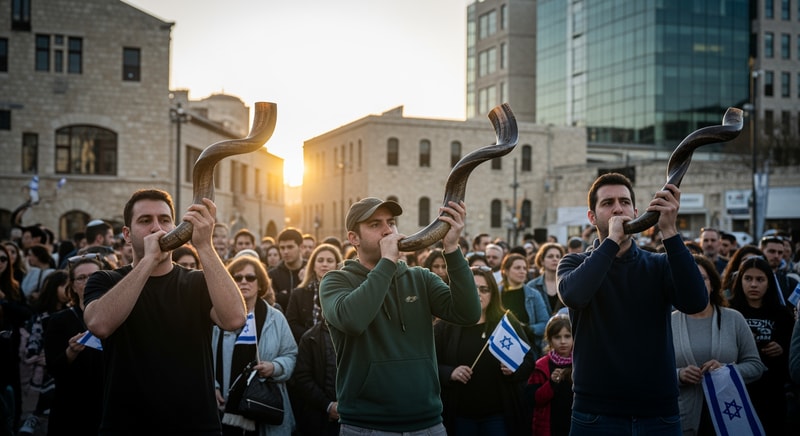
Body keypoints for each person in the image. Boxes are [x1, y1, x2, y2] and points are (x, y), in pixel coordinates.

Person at [83, 188, 246, 434]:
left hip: (196, 426)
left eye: (165, 220)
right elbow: (99, 324)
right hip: (126, 425)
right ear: (127, 235)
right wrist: (148, 260)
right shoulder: (105, 280)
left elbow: (234, 319)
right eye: (145, 221)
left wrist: (205, 246)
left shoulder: (197, 282)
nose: (157, 228)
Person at [557, 173, 708, 434]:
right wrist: (612, 242)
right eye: (607, 203)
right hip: (595, 414)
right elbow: (575, 295)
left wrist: (670, 231)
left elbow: (696, 302)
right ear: (592, 217)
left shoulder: (658, 265)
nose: (618, 208)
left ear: (636, 212)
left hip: (658, 414)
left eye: (625, 202)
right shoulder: (574, 264)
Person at [319, 197, 480, 434]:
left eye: (391, 223)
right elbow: (353, 320)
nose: (388, 231)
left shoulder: (421, 278)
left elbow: (468, 313)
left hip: (428, 423)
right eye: (375, 225)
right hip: (366, 425)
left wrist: (452, 249)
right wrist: (387, 262)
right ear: (354, 238)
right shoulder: (335, 281)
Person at [435, 266, 535, 435]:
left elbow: (529, 360)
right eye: (472, 288)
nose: (478, 293)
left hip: (498, 415)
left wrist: (514, 369)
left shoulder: (506, 321)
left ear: (492, 293)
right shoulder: (447, 324)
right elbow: (429, 363)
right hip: (459, 414)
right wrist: (449, 373)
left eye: (484, 289)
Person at [672, 255, 765, 435]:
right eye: (688, 277)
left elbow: (756, 366)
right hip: (683, 419)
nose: (695, 282)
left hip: (730, 417)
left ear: (713, 284)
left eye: (702, 278)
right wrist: (679, 375)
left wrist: (727, 371)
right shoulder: (668, 323)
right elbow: (654, 372)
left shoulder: (734, 319)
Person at [212, 255, 297, 436]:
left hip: (263, 410)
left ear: (260, 283)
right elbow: (201, 357)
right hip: (222, 408)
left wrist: (275, 367)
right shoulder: (216, 316)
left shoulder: (275, 318)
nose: (244, 282)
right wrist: (213, 385)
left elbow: (291, 354)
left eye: (250, 277)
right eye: (237, 277)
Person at [728, 256, 794, 435]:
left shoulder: (782, 314)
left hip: (772, 391)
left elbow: (793, 350)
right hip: (738, 390)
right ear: (739, 280)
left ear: (769, 282)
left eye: (760, 279)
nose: (754, 284)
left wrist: (782, 348)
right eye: (748, 278)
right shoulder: (729, 312)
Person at [44, 255, 105, 435]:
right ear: (72, 285)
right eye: (81, 278)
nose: (88, 282)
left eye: (94, 276)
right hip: (72, 408)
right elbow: (53, 369)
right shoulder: (59, 321)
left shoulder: (119, 316)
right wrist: (71, 352)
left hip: (109, 406)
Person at [19, 270, 70, 435]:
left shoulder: (72, 313)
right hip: (42, 369)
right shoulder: (42, 316)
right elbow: (32, 343)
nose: (69, 289)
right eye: (64, 286)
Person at [292, 304, 340, 436]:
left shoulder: (361, 336)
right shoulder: (310, 338)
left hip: (355, 418)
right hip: (321, 420)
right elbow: (302, 378)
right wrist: (328, 405)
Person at [0, 243, 33, 433]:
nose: (0, 263)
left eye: (3, 259)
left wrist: (4, 301)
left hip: (9, 350)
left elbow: (27, 313)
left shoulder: (13, 286)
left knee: (11, 395)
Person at [526, 314, 574, 436]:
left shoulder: (580, 363)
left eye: (567, 336)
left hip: (575, 425)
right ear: (550, 340)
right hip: (550, 428)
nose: (563, 342)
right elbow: (533, 399)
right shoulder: (541, 366)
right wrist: (551, 383)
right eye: (557, 337)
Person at [286, 244, 342, 344]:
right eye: (320, 260)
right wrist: (313, 337)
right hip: (308, 347)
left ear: (337, 265)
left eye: (330, 261)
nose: (324, 264)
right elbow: (291, 323)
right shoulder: (298, 294)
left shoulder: (344, 292)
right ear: (313, 266)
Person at [500, 252, 548, 355]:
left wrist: (527, 329)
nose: (522, 271)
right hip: (501, 346)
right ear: (506, 271)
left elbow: (545, 323)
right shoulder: (496, 294)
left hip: (527, 348)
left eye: (524, 268)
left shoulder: (534, 295)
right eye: (517, 268)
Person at [269, 228, 307, 310]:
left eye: (290, 247)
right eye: (282, 248)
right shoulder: (273, 275)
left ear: (301, 247)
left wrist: (306, 282)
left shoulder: (311, 271)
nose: (285, 251)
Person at [526, 243, 567, 316]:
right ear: (542, 261)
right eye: (550, 256)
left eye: (558, 256)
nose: (555, 259)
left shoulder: (568, 284)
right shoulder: (531, 286)